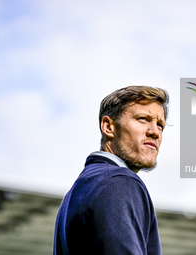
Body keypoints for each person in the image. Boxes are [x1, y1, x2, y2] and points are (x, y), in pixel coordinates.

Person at [53, 86, 169, 255]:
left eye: (160, 125)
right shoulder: (119, 181)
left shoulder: (80, 190)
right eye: (143, 119)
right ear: (108, 126)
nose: (155, 132)